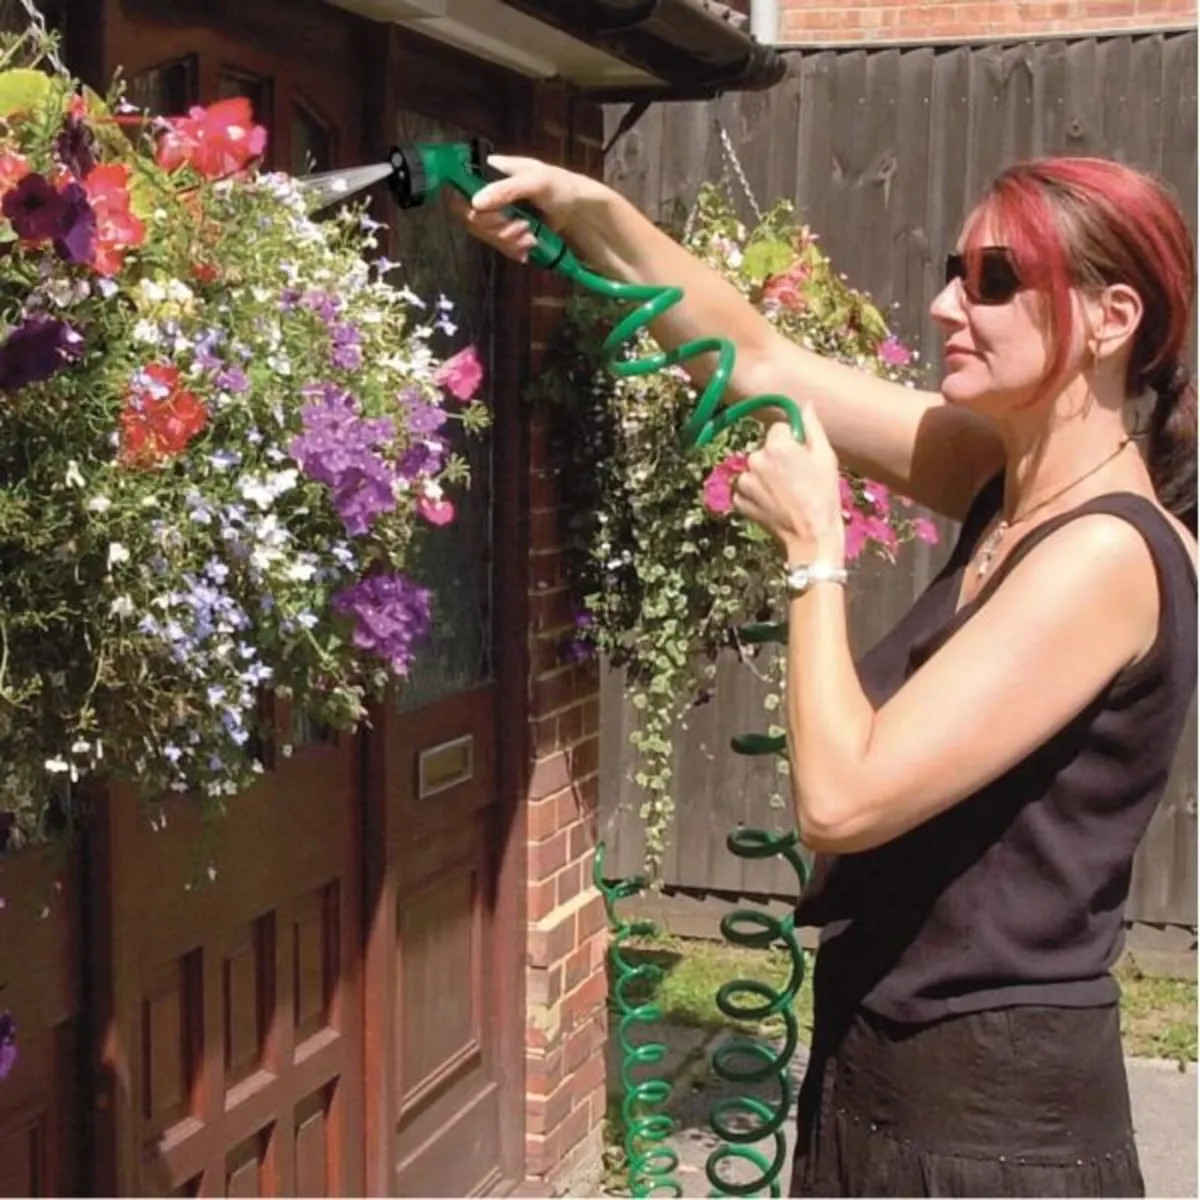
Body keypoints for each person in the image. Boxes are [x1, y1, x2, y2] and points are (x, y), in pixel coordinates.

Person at [456, 153, 1198, 1197]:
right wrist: (593, 215)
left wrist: (815, 552)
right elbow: (761, 361)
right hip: (886, 1068)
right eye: (953, 272)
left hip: (991, 1130)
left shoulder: (1106, 555)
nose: (947, 304)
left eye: (994, 279)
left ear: (1112, 319)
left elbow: (845, 799)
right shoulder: (1005, 481)